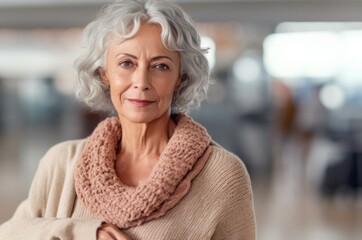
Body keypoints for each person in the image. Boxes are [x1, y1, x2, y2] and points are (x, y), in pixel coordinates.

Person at [0, 0, 256, 239]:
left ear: (181, 78)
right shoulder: (61, 162)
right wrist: (85, 232)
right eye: (126, 63)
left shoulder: (222, 174)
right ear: (104, 74)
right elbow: (10, 232)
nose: (141, 82)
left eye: (161, 66)